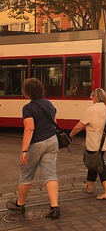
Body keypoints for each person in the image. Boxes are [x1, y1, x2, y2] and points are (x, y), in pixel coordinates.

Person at [6, 78, 61, 219]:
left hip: (37, 143)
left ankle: (20, 204)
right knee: (50, 175)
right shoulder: (49, 103)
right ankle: (54, 207)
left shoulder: (28, 108)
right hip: (52, 141)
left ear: (27, 92)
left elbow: (29, 129)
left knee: (26, 174)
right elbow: (55, 122)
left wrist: (24, 150)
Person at [69, 88, 106, 200]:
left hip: (93, 143)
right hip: (105, 144)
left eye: (92, 96)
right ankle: (90, 186)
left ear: (95, 97)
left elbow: (79, 126)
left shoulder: (90, 110)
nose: (91, 98)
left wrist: (70, 135)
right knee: (95, 163)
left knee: (100, 166)